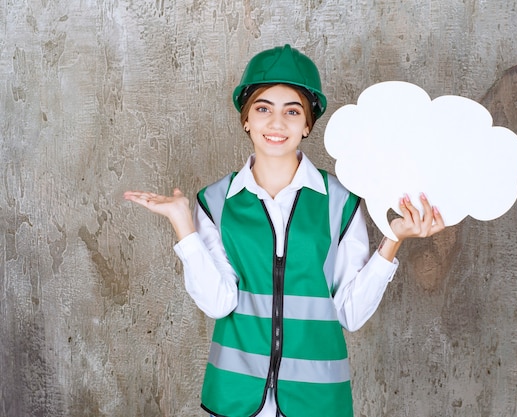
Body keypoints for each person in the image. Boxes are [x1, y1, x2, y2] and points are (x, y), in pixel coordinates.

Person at [125, 44, 445, 417]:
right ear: (246, 119)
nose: (276, 124)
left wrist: (394, 239)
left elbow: (351, 314)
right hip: (235, 398)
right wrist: (184, 225)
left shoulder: (341, 202)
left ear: (308, 124)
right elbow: (218, 303)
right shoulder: (214, 202)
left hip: (317, 401)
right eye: (263, 109)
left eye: (292, 111)